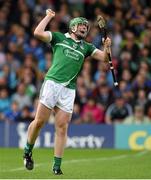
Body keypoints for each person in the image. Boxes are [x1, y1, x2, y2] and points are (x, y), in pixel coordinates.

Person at [23, 9, 111, 175]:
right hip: (52, 84)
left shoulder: (86, 47)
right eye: (81, 25)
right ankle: (28, 151)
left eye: (86, 26)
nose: (85, 27)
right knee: (40, 122)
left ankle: (56, 166)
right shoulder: (59, 38)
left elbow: (105, 58)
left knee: (62, 127)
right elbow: (37, 32)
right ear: (72, 27)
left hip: (69, 89)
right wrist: (48, 16)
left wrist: (107, 47)